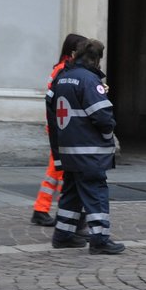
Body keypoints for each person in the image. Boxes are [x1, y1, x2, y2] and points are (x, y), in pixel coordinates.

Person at [46, 39, 125, 255]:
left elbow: (52, 118)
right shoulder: (89, 80)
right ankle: (99, 239)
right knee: (96, 192)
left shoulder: (60, 79)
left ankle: (62, 235)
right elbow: (103, 117)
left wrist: (58, 151)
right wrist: (109, 136)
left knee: (71, 192)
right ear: (95, 59)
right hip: (90, 151)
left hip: (68, 149)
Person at [31, 33, 86, 227]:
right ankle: (67, 212)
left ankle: (42, 209)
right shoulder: (65, 71)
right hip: (63, 127)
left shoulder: (60, 69)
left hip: (59, 126)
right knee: (63, 172)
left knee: (56, 170)